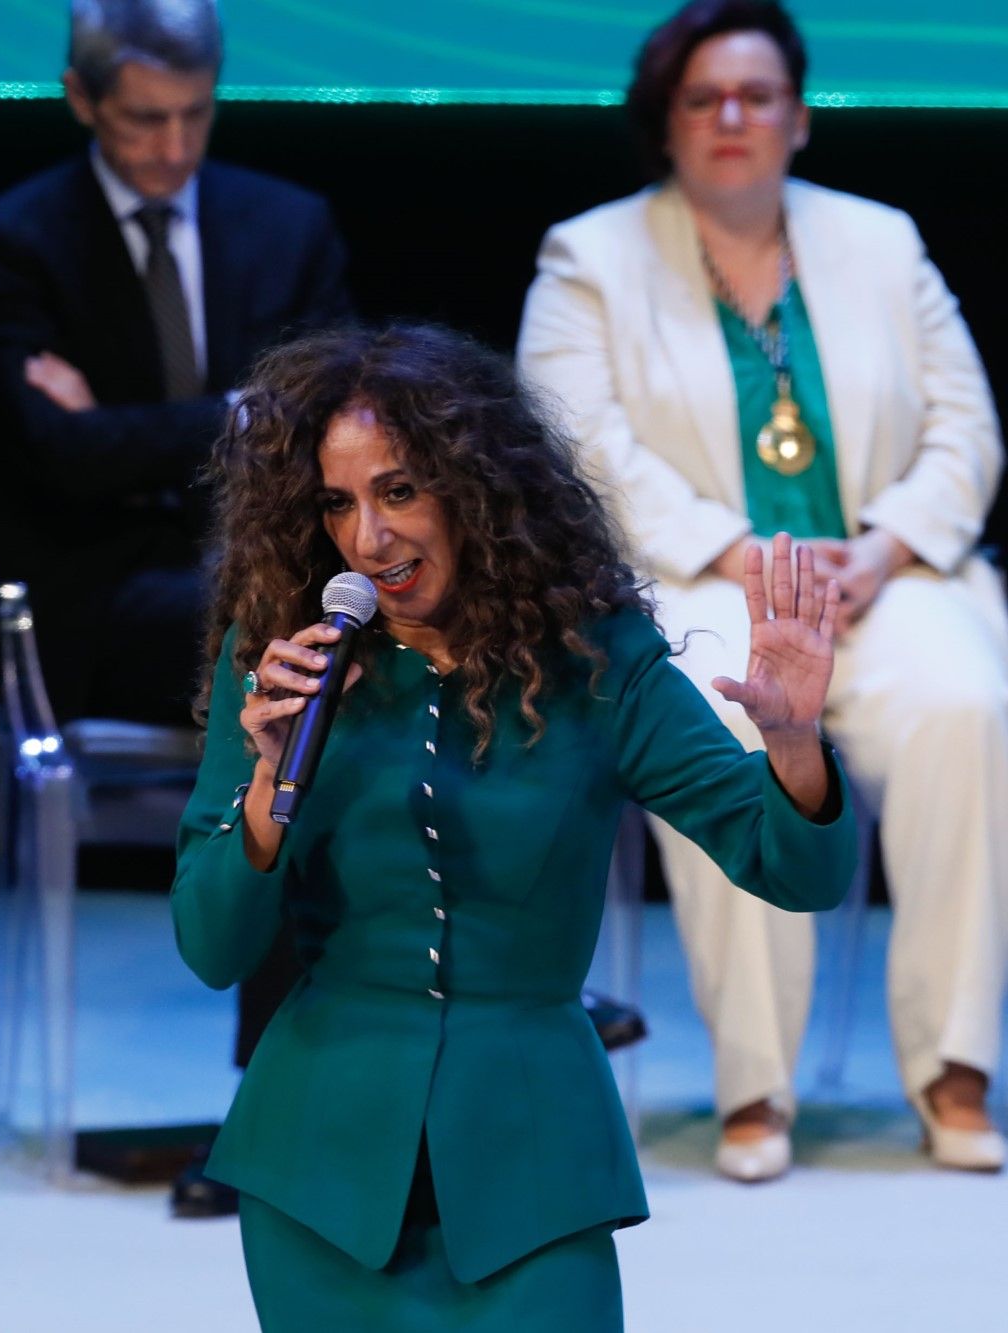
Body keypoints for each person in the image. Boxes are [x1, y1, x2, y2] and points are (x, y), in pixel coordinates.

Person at [173, 323, 856, 1329]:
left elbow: (790, 868)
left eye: (398, 490)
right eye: (336, 502)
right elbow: (210, 945)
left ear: (476, 490)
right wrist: (269, 789)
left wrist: (792, 742)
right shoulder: (278, 657)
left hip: (533, 1165)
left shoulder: (593, 658)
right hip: (315, 1164)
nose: (366, 539)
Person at [518, 0, 1006, 1180]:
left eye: (754, 96)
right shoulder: (588, 256)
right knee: (725, 717)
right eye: (702, 99)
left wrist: (881, 548)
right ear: (666, 124)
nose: (730, 117)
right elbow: (571, 445)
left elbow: (965, 429)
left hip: (878, 576)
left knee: (965, 709)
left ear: (795, 118)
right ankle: (756, 1084)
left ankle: (953, 1070)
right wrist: (745, 554)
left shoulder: (879, 242)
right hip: (698, 579)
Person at [0, 0, 350, 1216]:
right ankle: (280, 1098)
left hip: (270, 579)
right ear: (82, 102)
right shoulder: (12, 239)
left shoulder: (288, 224)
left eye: (193, 115)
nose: (172, 147)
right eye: (142, 121)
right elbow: (46, 456)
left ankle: (338, 1068)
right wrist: (242, 419)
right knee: (292, 666)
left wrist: (126, 435)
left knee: (319, 678)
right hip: (108, 608)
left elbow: (333, 429)